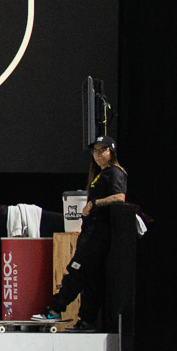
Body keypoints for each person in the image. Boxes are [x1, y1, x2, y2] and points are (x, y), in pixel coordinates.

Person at [34, 135, 128, 328]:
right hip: (91, 233)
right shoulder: (100, 174)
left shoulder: (114, 172)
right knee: (91, 279)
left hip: (97, 236)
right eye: (96, 151)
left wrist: (95, 203)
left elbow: (120, 197)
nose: (98, 154)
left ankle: (54, 311)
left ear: (112, 152)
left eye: (103, 150)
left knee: (76, 272)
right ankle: (86, 321)